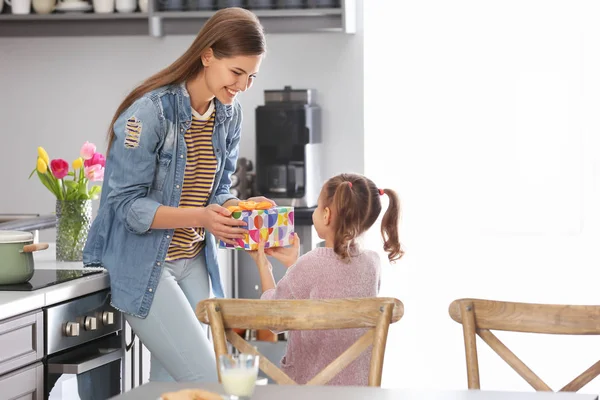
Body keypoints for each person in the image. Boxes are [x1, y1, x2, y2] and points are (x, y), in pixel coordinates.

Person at [83, 7, 273, 383]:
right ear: (207, 55)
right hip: (146, 265)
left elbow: (219, 190)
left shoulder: (228, 115)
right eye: (236, 72)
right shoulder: (150, 113)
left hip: (193, 259)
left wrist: (241, 208)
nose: (242, 86)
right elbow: (126, 206)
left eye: (251, 76)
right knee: (211, 380)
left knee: (171, 386)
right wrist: (201, 217)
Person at [249, 173, 404, 386]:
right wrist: (295, 267)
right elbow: (333, 282)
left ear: (326, 215)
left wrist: (263, 265)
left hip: (307, 391)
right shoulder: (372, 264)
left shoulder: (310, 264)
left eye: (318, 206)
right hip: (358, 391)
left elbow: (271, 319)